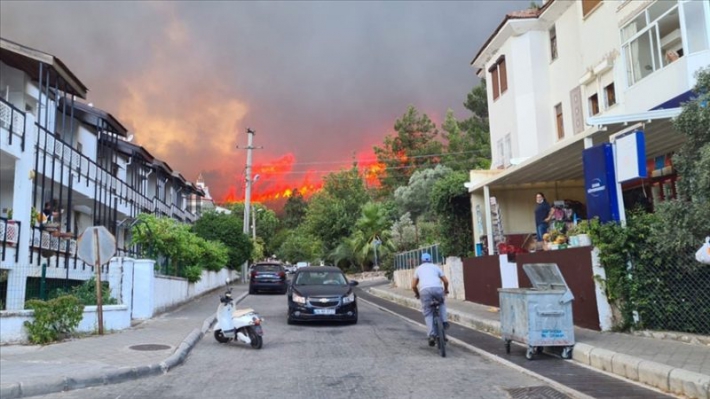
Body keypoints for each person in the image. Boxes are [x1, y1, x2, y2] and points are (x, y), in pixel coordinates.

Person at [412, 252, 449, 346]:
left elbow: (413, 285)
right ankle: (444, 322)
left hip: (425, 291)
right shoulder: (435, 267)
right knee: (441, 304)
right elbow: (446, 281)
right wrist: (446, 290)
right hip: (437, 289)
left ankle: (431, 335)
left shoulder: (418, 269)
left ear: (422, 260)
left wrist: (417, 294)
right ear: (431, 259)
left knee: (428, 313)